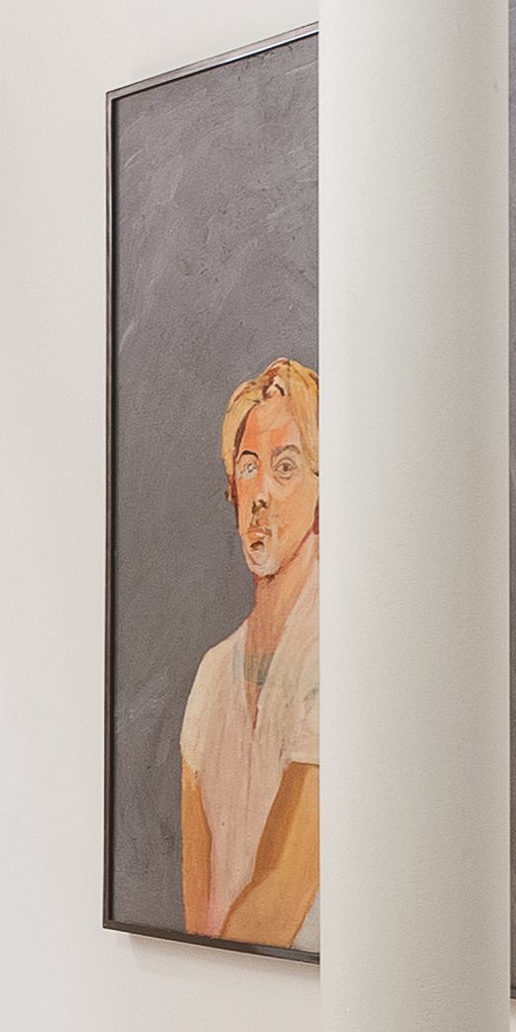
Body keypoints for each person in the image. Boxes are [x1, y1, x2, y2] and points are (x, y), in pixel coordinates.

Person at [176, 356, 321, 945]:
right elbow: (196, 908)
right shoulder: (212, 677)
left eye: (285, 467)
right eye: (249, 467)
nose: (261, 493)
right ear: (231, 490)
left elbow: (281, 898)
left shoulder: (347, 658)